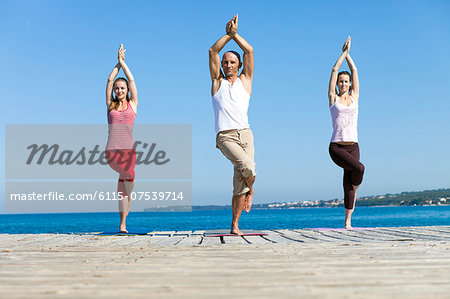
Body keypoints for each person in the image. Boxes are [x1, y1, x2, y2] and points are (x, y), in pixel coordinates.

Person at [209, 15, 256, 235]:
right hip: (225, 136)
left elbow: (249, 51)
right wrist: (227, 35)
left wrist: (235, 35)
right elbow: (212, 51)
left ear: (238, 65)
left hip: (246, 134)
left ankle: (235, 225)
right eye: (225, 62)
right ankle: (251, 190)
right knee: (248, 168)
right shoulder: (217, 83)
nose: (227, 64)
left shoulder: (246, 81)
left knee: (239, 182)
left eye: (232, 62)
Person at [328, 36, 365, 229]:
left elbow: (355, 70)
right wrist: (343, 53)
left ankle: (348, 221)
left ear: (350, 84)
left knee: (348, 186)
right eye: (340, 82)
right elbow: (334, 70)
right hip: (336, 147)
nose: (342, 84)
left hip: (354, 146)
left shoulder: (355, 97)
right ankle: (356, 185)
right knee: (359, 169)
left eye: (346, 81)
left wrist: (350, 56)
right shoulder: (333, 98)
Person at [105, 44, 138, 233]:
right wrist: (117, 63)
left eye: (122, 88)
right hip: (112, 152)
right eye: (117, 88)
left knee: (124, 190)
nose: (119, 90)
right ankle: (123, 221)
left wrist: (124, 64)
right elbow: (109, 80)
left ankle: (123, 223)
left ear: (126, 90)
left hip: (129, 152)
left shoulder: (133, 104)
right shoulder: (110, 105)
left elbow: (132, 79)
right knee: (128, 176)